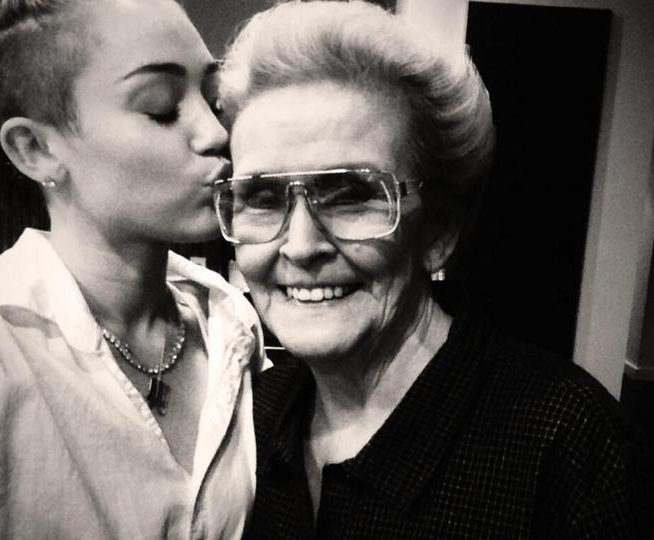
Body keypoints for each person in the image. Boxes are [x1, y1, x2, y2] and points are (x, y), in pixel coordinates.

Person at [214, 1, 654, 537]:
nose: (301, 247)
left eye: (351, 195)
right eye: (262, 198)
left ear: (439, 231)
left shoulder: (573, 450)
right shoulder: (253, 415)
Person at [0, 0, 264, 538]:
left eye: (213, 101)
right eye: (161, 108)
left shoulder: (231, 323)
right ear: (36, 149)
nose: (215, 134)